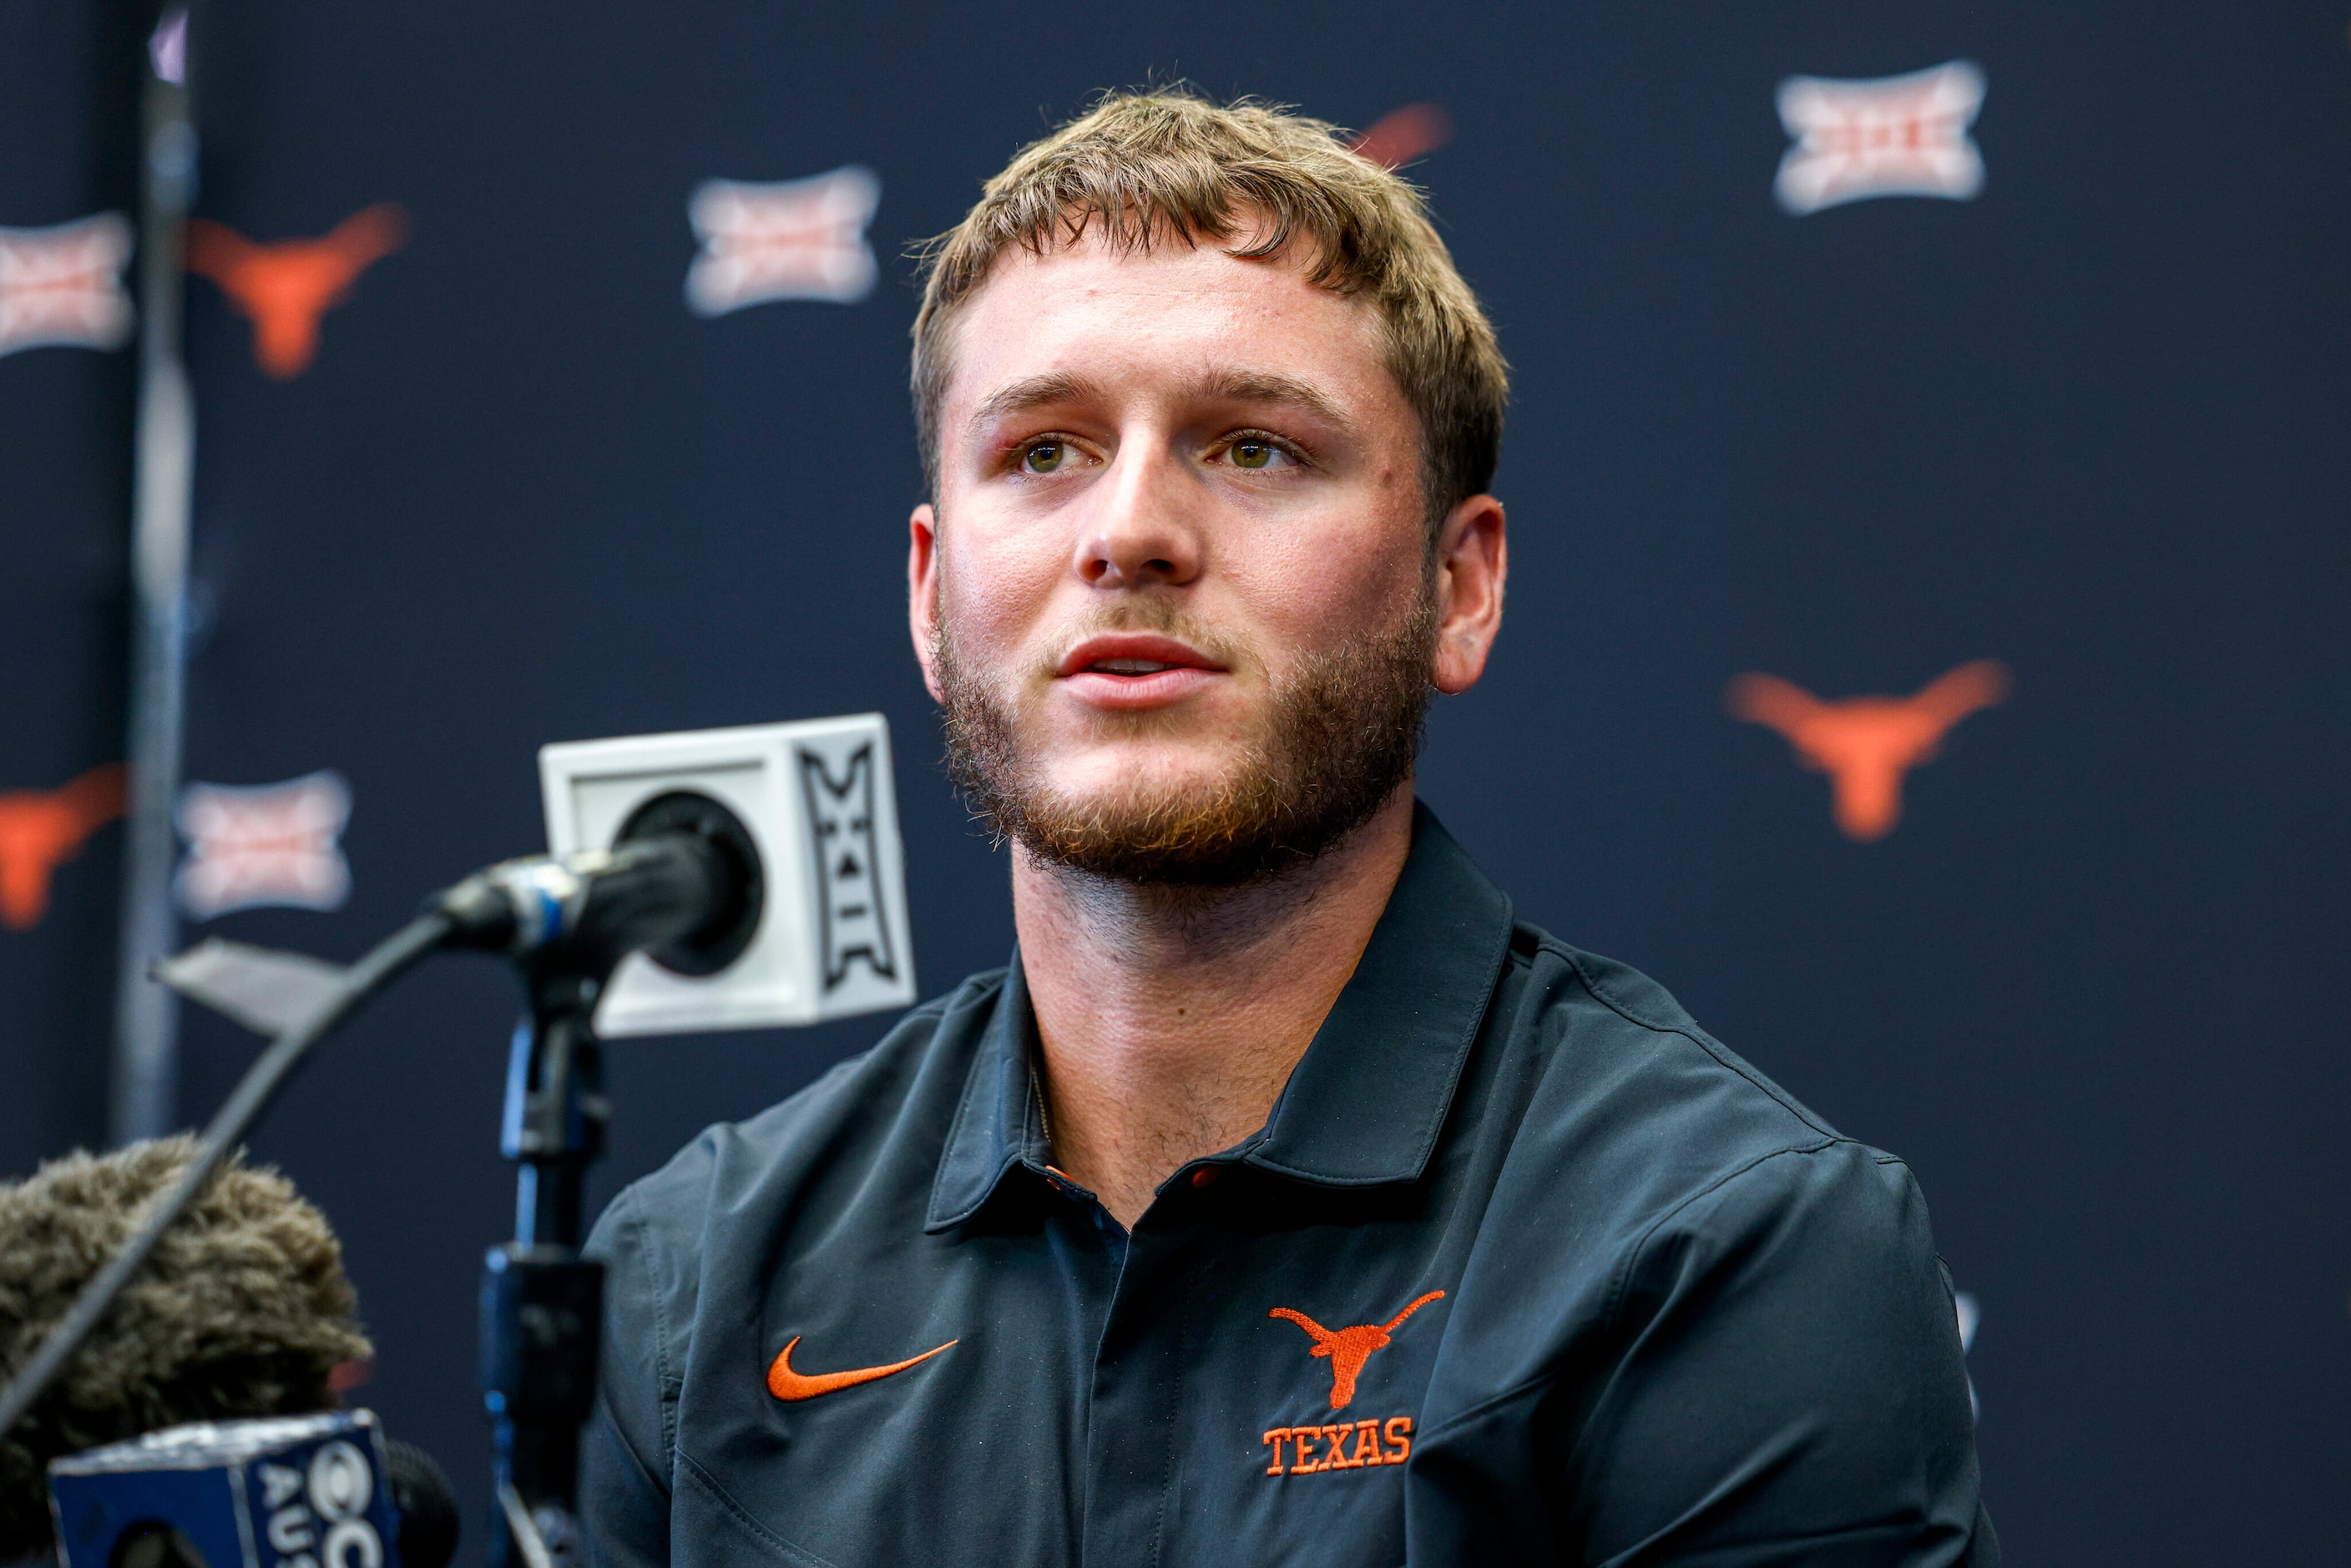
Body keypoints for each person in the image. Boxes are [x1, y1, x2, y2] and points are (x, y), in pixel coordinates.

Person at [580, 89, 1993, 1566]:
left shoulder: (1726, 1249)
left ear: (1461, 586)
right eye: (1044, 452)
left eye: (1254, 448)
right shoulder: (686, 1292)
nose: (1128, 531)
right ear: (932, 598)